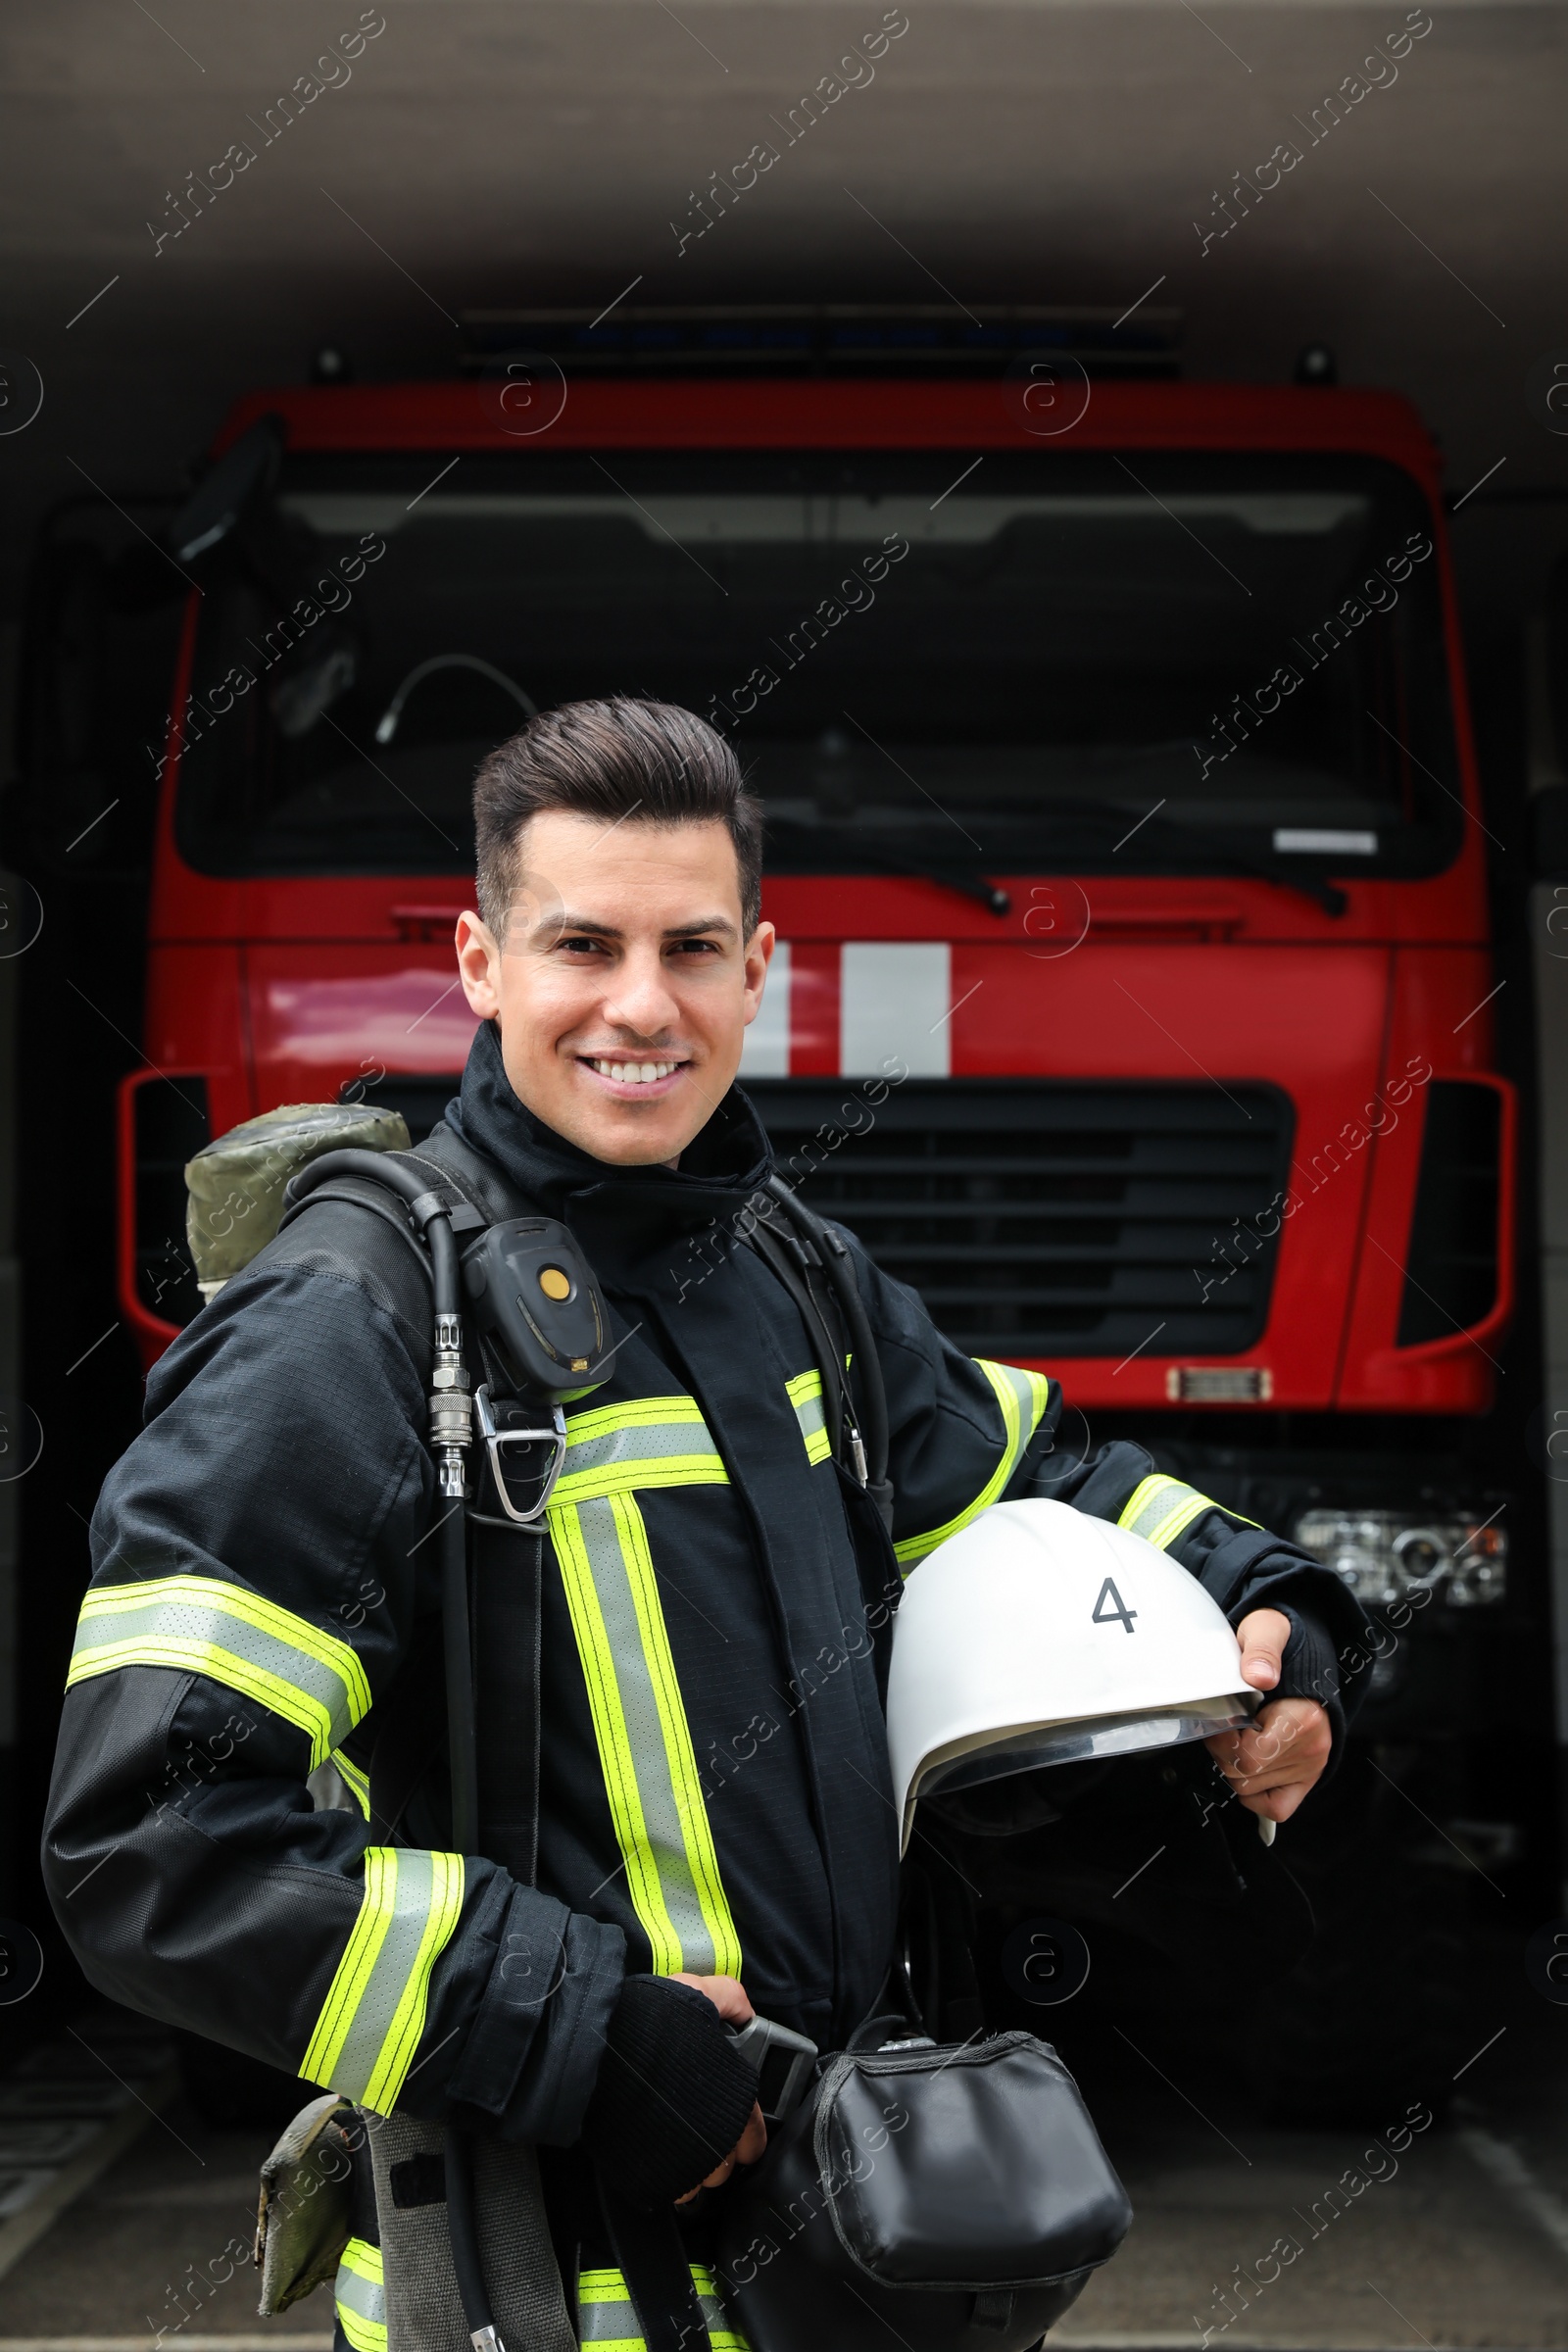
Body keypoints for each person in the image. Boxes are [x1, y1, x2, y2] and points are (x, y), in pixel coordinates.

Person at [44, 698, 1363, 2350]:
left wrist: (1267, 1600)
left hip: (838, 2261)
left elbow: (1036, 1482)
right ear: (479, 963)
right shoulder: (352, 1325)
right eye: (581, 944)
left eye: (693, 947)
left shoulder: (792, 1272)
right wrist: (585, 2032)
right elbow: (150, 1842)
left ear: (760, 969)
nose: (641, 1005)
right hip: (539, 2291)